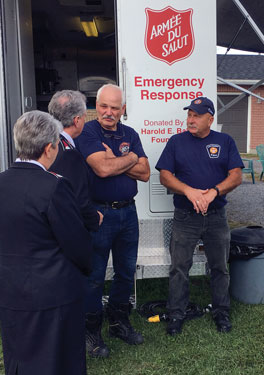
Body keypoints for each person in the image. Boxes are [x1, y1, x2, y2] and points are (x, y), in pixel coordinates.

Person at [0, 111, 93, 375]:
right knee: (58, 360)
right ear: (49, 148)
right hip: (53, 292)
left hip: (12, 288)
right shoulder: (54, 186)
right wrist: (88, 266)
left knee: (19, 357)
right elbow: (76, 242)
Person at [155, 97, 243, 336]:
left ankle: (221, 311)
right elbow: (164, 175)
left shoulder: (224, 141)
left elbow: (236, 175)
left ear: (210, 119)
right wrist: (189, 191)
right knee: (179, 267)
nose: (191, 120)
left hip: (216, 215)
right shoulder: (176, 142)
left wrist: (214, 192)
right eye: (189, 115)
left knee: (219, 267)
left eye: (197, 115)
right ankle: (176, 314)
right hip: (185, 216)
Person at [76, 84, 150, 357]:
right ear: (97, 105)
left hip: (128, 213)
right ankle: (91, 331)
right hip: (99, 214)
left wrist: (118, 157)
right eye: (104, 106)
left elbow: (145, 173)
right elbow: (103, 169)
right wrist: (131, 157)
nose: (108, 112)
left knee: (126, 272)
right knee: (94, 276)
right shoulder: (88, 131)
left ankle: (119, 322)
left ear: (123, 109)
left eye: (114, 108)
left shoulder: (129, 133)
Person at [48, 90, 103, 231]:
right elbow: (79, 199)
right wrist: (95, 219)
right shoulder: (69, 154)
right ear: (77, 120)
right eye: (84, 117)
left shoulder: (46, 144)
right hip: (67, 228)